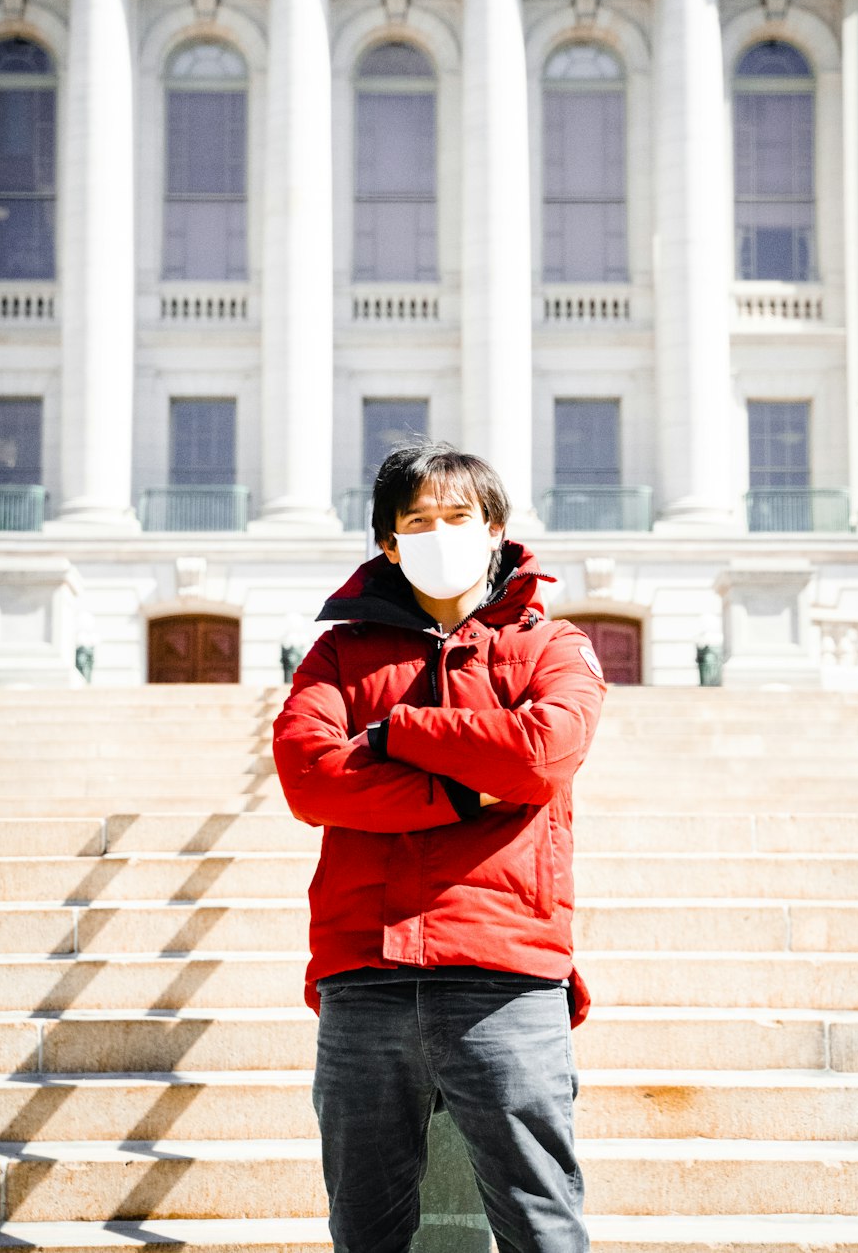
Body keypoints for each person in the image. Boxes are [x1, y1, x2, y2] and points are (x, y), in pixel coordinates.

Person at [271, 441, 607, 1253]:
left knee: (542, 1223)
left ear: (493, 528)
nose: (440, 532)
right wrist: (465, 790)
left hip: (504, 972)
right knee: (365, 1230)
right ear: (388, 542)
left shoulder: (552, 645)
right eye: (416, 520)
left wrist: (397, 734)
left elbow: (540, 755)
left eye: (458, 516)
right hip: (364, 973)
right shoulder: (339, 652)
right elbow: (310, 776)